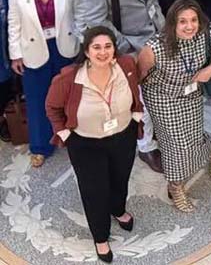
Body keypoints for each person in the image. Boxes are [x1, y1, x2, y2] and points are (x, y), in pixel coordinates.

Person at [45, 26, 141, 263]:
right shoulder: (69, 78)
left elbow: (136, 92)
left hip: (122, 136)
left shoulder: (126, 66)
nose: (103, 52)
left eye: (108, 46)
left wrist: (136, 115)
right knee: (94, 189)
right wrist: (65, 134)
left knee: (120, 177)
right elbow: (52, 107)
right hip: (86, 143)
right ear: (86, 51)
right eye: (96, 47)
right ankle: (100, 236)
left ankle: (118, 210)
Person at [136, 0, 211, 211]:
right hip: (162, 97)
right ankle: (175, 185)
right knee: (175, 144)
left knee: (193, 133)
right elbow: (140, 75)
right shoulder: (154, 48)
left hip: (192, 92)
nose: (189, 26)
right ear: (172, 23)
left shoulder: (209, 32)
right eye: (182, 21)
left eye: (194, 20)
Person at [8, 0, 81, 167]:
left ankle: (75, 138)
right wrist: (15, 54)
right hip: (34, 48)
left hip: (66, 46)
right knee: (37, 98)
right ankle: (40, 147)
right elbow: (14, 21)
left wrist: (87, 46)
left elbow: (81, 13)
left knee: (70, 95)